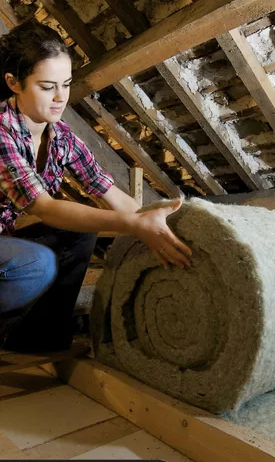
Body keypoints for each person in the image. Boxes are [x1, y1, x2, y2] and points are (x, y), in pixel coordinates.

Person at [0, 20, 192, 353]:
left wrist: (167, 229)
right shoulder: (2, 131)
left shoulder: (59, 137)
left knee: (81, 231)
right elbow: (43, 207)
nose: (61, 98)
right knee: (35, 264)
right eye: (47, 87)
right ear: (14, 83)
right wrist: (131, 225)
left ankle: (37, 340)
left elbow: (107, 192)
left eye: (66, 84)